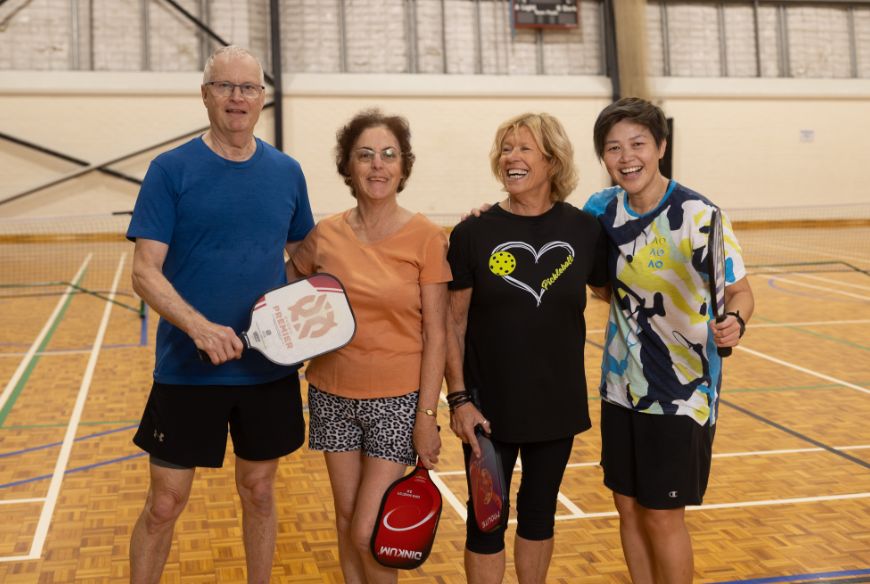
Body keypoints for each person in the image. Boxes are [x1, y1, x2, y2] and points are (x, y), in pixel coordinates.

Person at [126, 46, 315, 584]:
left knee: (258, 492)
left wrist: (291, 319)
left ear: (262, 98)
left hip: (266, 370)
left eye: (249, 88)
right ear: (205, 94)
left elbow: (305, 259)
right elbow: (145, 272)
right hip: (187, 369)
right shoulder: (171, 171)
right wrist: (199, 327)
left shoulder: (286, 172)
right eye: (225, 87)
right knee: (165, 503)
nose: (238, 97)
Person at [582, 97, 755, 584]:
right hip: (621, 383)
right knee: (629, 507)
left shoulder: (700, 215)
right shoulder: (600, 209)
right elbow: (598, 284)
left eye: (637, 143)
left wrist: (735, 322)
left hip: (682, 392)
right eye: (613, 147)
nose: (625, 157)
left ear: (660, 146)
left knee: (661, 514)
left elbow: (740, 291)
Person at [445, 112, 609, 584]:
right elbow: (452, 325)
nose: (510, 158)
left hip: (555, 406)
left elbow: (614, 290)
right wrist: (458, 400)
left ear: (553, 160)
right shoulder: (473, 233)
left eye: (523, 148)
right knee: (485, 524)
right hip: (486, 412)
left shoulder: (583, 231)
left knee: (539, 516)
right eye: (505, 149)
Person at [289, 109, 451, 584]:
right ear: (348, 166)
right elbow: (288, 289)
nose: (377, 165)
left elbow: (437, 333)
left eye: (388, 155)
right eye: (365, 156)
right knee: (344, 521)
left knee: (368, 532)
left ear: (403, 167)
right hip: (330, 392)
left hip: (397, 400)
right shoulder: (325, 234)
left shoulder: (425, 237)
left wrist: (426, 417)